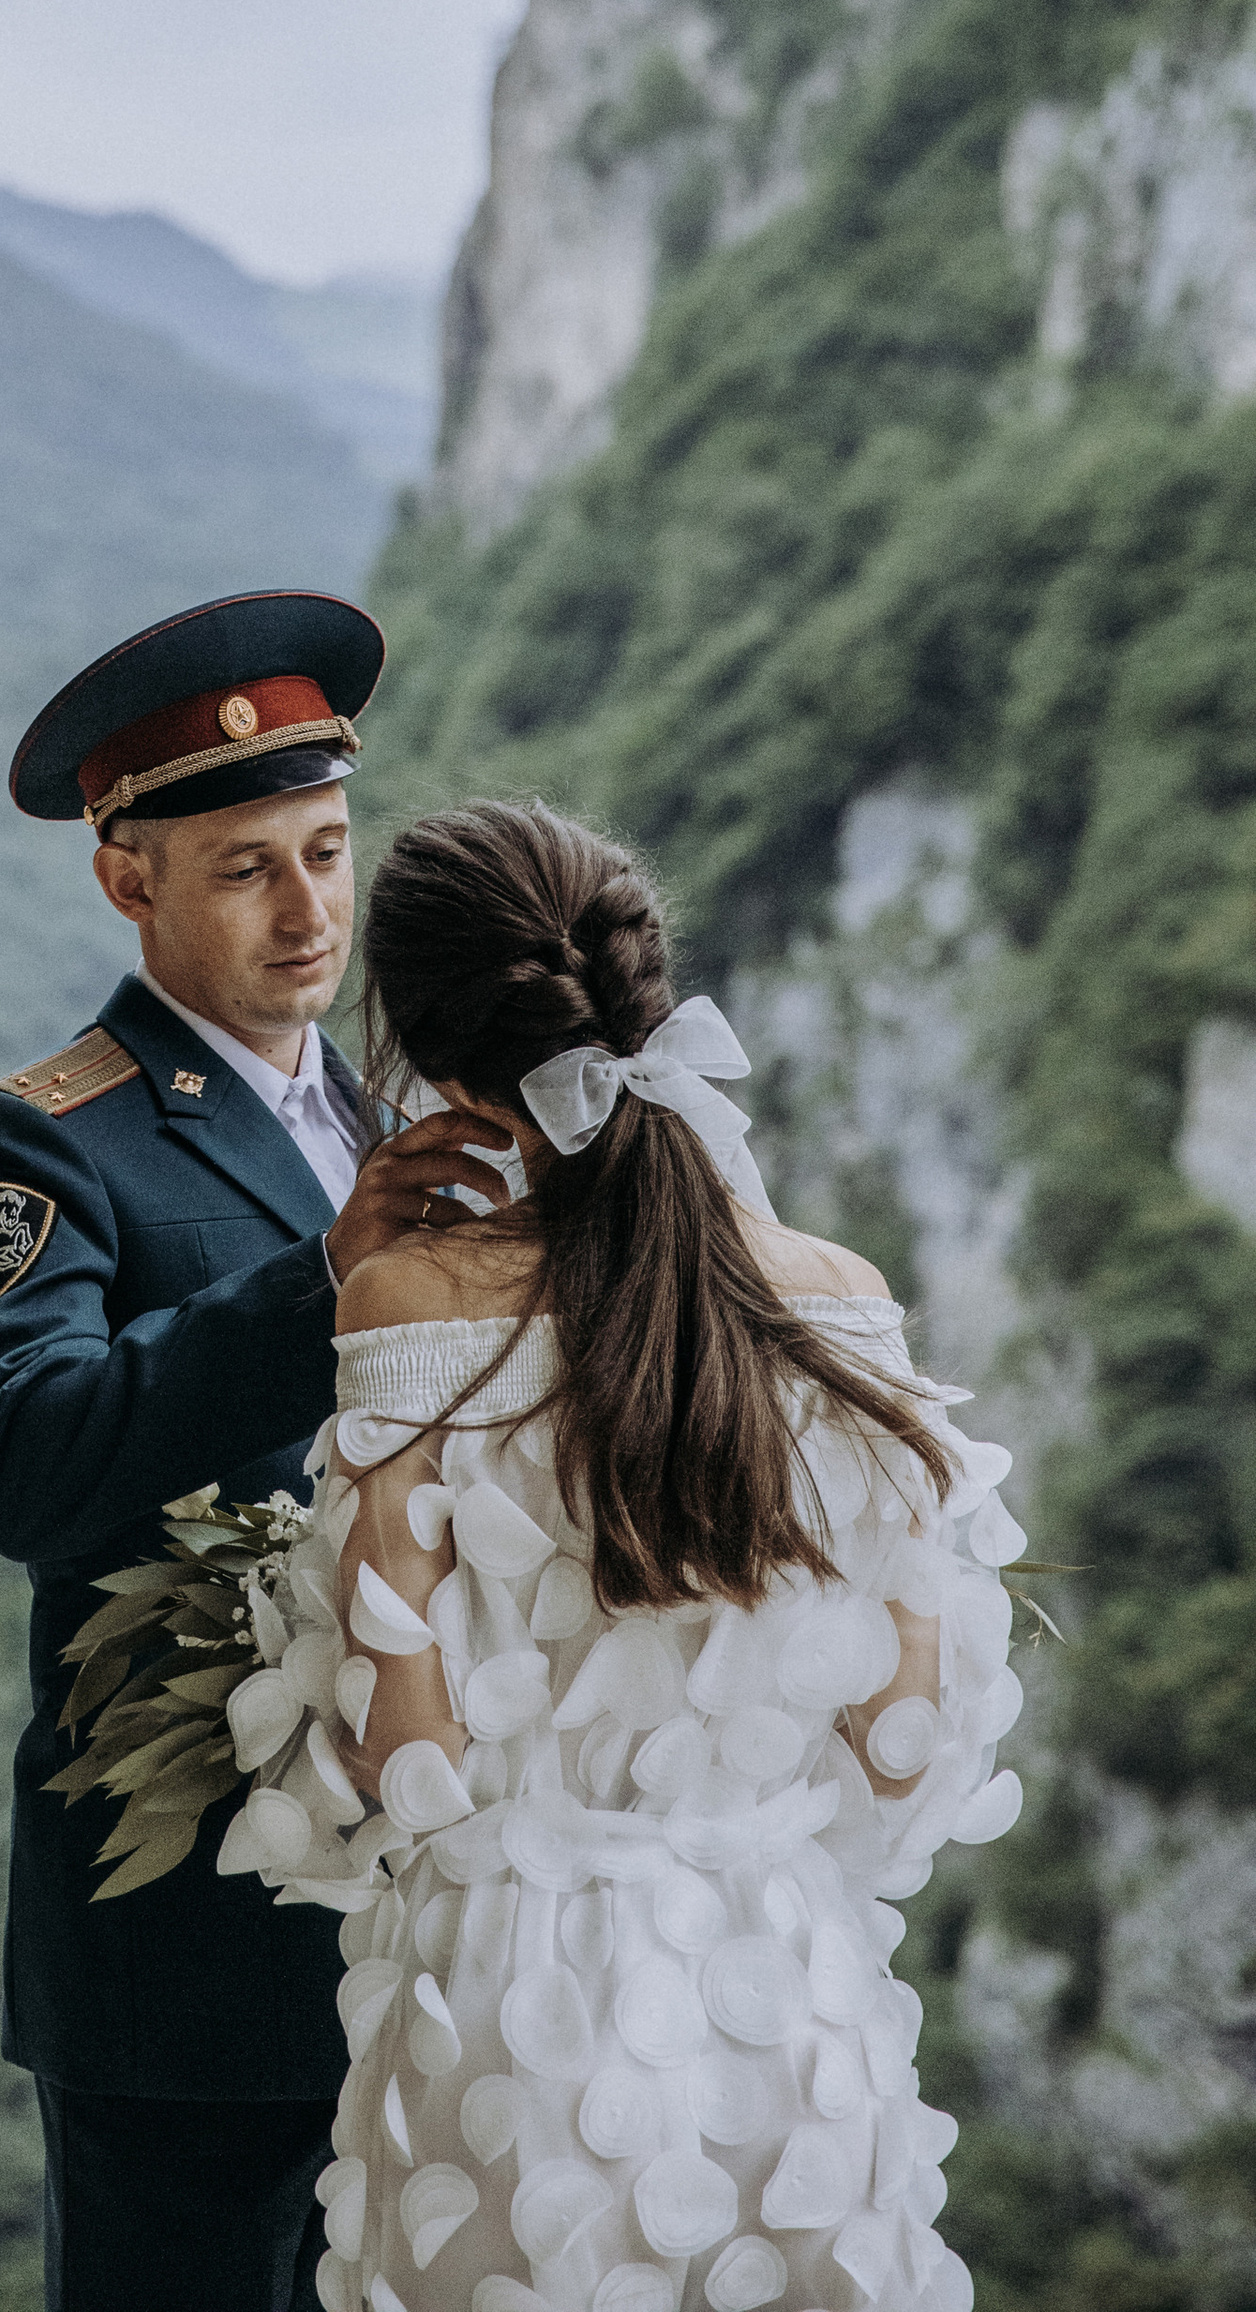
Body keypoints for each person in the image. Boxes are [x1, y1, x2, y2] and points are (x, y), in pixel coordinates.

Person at [222, 800, 1023, 2312]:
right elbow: (909, 1748)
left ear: (426, 1057)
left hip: (515, 2010)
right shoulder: (836, 1301)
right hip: (790, 1997)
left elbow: (412, 1752)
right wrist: (743, 1834)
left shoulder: (406, 1307)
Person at [0, 592, 507, 2312]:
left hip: (432, 1914)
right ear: (130, 880)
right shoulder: (38, 1140)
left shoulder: (403, 1121)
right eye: (247, 866)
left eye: (327, 851)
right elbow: (28, 1466)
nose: (310, 909)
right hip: (182, 1950)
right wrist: (313, 1279)